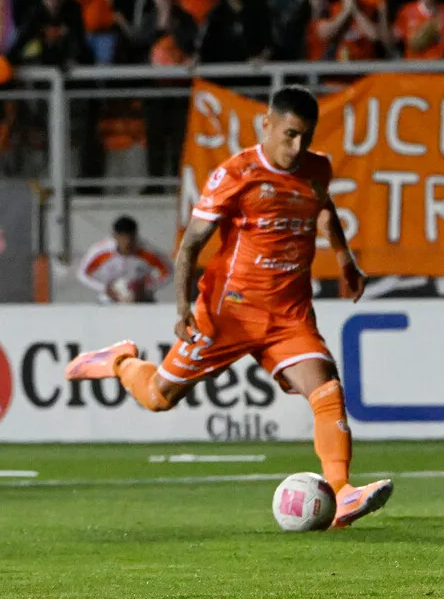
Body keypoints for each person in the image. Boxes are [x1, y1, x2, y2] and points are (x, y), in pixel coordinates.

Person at [64, 86, 394, 528]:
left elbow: (324, 207)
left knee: (326, 388)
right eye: (290, 135)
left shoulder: (316, 168)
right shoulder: (236, 174)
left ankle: (343, 493)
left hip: (288, 314)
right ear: (267, 126)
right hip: (228, 313)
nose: (297, 148)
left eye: (306, 137)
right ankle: (120, 362)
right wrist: (182, 308)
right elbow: (190, 246)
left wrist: (345, 260)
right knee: (159, 397)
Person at [77, 215, 172, 304]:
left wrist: (148, 287)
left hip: (141, 299)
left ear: (136, 236)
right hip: (110, 299)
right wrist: (104, 288)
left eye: (131, 240)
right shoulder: (101, 251)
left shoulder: (148, 251)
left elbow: (169, 272)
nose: (127, 243)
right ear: (115, 236)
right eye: (123, 239)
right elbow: (82, 273)